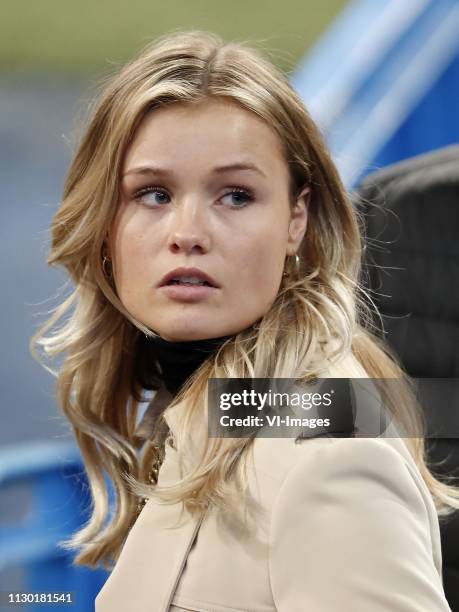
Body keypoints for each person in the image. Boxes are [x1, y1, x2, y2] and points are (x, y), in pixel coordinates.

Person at [31, 30, 458, 611]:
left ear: (296, 219)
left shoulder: (327, 452)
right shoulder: (219, 403)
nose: (188, 234)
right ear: (104, 222)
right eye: (153, 194)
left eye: (234, 195)